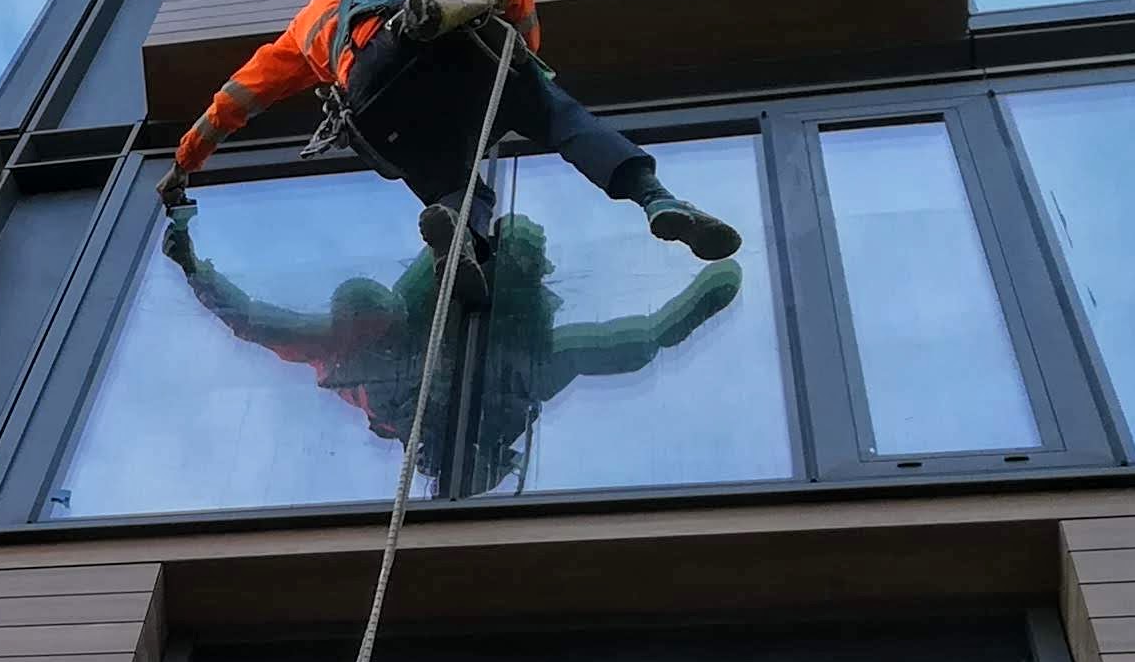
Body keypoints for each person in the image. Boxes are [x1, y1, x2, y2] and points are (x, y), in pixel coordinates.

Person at [156, 0, 742, 266]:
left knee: (451, 180)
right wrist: (527, 62)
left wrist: (184, 166)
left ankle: (459, 236)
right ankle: (655, 198)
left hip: (376, 91)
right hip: (462, 51)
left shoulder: (304, 30)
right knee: (561, 118)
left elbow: (231, 104)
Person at [162, 207, 744, 497]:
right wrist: (193, 266)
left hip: (483, 371)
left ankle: (469, 247)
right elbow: (251, 319)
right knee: (567, 350)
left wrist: (193, 264)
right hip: (465, 398)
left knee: (558, 331)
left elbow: (252, 319)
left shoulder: (367, 331)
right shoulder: (346, 348)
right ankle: (462, 249)